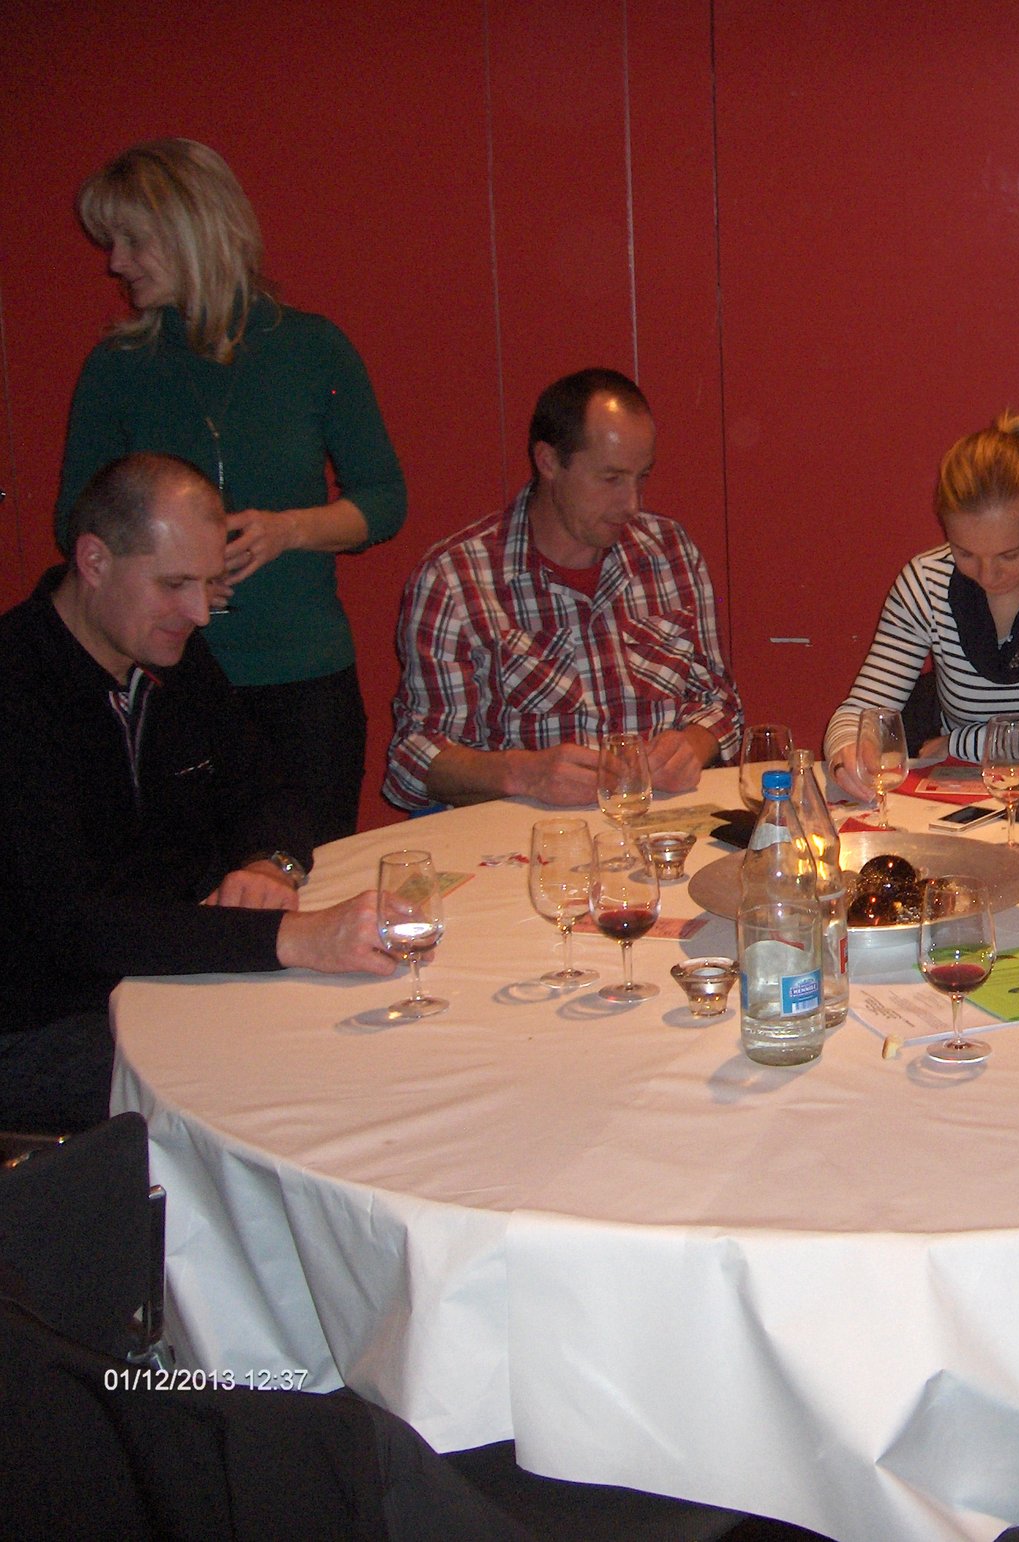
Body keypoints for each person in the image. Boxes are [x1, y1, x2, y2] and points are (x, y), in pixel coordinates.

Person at [0, 455, 404, 1134]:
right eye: (174, 584)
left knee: (366, 1019)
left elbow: (268, 788)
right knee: (282, 1073)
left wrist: (270, 863)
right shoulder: (17, 689)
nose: (198, 614)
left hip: (172, 971)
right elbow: (73, 923)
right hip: (45, 1017)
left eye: (210, 585)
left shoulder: (169, 656)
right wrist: (287, 937)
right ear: (93, 560)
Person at [57, 139, 407, 850]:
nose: (116, 262)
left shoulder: (312, 348)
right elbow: (78, 525)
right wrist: (170, 574)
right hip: (167, 679)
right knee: (188, 885)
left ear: (192, 232)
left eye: (132, 240)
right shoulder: (117, 367)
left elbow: (384, 499)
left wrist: (289, 530)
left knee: (307, 876)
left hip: (304, 682)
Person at [385, 368, 743, 811]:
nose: (632, 504)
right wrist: (523, 773)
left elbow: (718, 701)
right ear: (549, 462)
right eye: (611, 479)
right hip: (534, 835)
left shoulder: (669, 551)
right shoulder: (456, 580)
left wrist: (694, 743)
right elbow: (413, 758)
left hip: (661, 823)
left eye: (642, 477)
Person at [825, 411, 1019, 794]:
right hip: (962, 795)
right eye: (965, 553)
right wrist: (848, 750)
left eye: (1010, 555)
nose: (988, 576)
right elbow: (859, 713)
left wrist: (961, 743)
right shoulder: (925, 581)